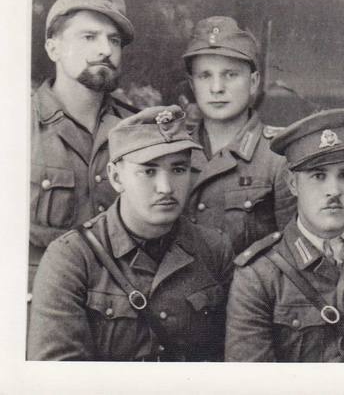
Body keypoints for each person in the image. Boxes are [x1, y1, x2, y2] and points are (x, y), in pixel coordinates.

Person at [28, 105, 234, 361]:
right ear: (116, 178)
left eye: (178, 169)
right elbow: (57, 373)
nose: (166, 187)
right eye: (149, 171)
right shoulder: (72, 259)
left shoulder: (213, 249)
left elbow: (230, 359)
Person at [225, 109, 344, 362]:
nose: (334, 190)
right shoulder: (258, 275)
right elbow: (251, 379)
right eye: (318, 176)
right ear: (293, 184)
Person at [30, 0, 138, 295]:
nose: (105, 50)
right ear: (53, 48)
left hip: (120, 306)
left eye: (114, 40)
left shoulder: (135, 129)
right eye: (89, 37)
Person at [182, 16, 295, 255]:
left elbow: (294, 255)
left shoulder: (279, 156)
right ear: (192, 85)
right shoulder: (175, 151)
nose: (216, 88)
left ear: (253, 82)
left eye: (230, 75)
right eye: (205, 76)